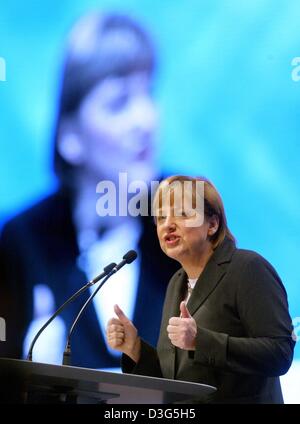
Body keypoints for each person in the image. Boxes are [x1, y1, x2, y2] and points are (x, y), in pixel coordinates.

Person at [0, 12, 178, 368]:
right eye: (119, 102)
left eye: (148, 93)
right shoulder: (24, 240)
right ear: (70, 137)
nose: (146, 119)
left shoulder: (189, 214)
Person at [106, 175, 295, 403]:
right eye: (161, 217)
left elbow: (280, 353)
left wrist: (200, 341)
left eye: (183, 214)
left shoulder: (248, 268)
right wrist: (134, 347)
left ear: (212, 224)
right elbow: (175, 383)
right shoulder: (176, 282)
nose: (168, 224)